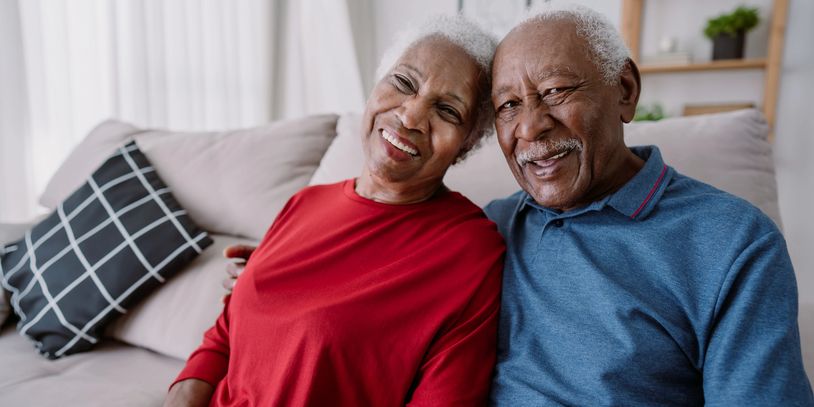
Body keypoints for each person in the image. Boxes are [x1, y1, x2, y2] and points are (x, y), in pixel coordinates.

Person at [164, 15, 505, 407]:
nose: (410, 116)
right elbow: (225, 335)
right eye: (404, 83)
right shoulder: (304, 203)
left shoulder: (468, 252)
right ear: (376, 87)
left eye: (447, 110)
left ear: (467, 144)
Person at [485, 5, 813, 406]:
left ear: (624, 90)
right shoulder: (490, 228)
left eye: (555, 90)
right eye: (508, 106)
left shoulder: (734, 242)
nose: (530, 126)